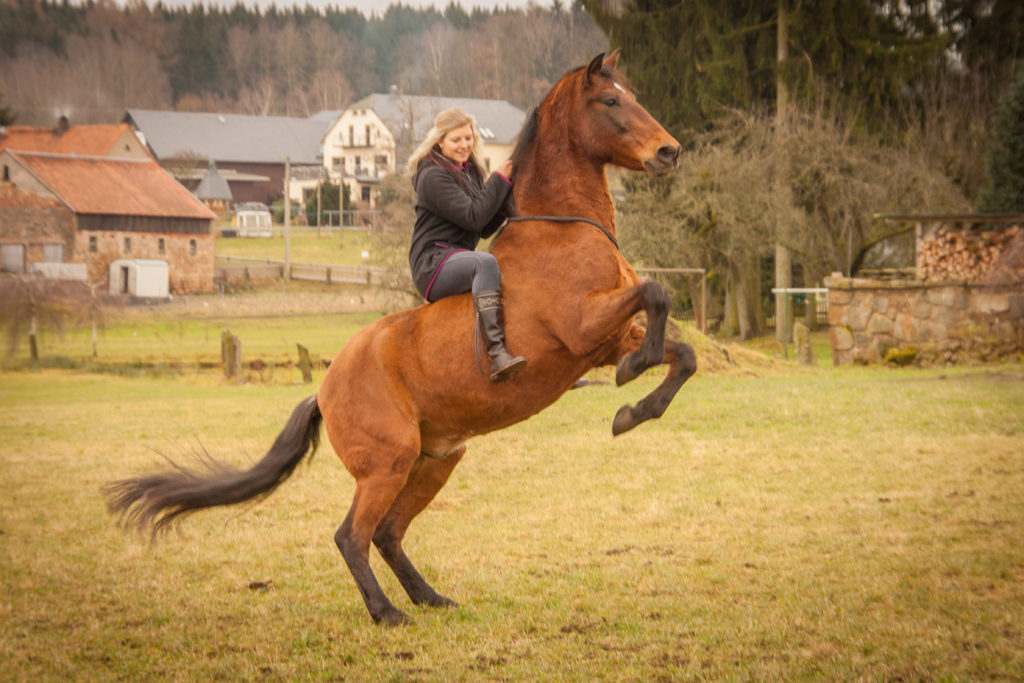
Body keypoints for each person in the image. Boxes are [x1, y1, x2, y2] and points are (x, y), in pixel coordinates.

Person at [407, 107, 527, 381]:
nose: (464, 145)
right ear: (440, 141)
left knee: (502, 268)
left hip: (457, 256)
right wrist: (498, 179)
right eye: (456, 140)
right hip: (432, 263)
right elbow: (474, 217)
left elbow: (483, 227)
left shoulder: (470, 171)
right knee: (484, 263)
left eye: (468, 138)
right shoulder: (432, 177)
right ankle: (497, 354)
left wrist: (507, 205)